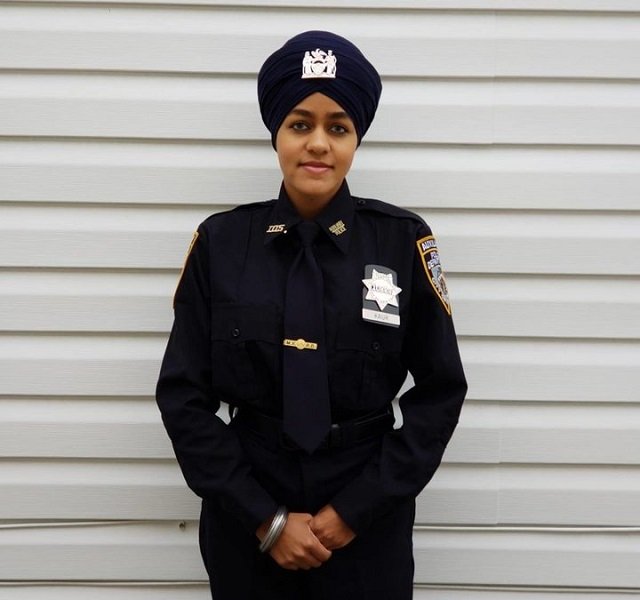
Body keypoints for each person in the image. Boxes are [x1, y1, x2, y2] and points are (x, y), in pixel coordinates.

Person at [156, 30, 467, 600]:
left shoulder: (402, 242)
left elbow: (441, 391)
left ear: (356, 139)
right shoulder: (221, 243)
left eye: (337, 127)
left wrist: (354, 510)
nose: (318, 143)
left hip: (366, 520)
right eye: (300, 124)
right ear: (276, 133)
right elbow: (182, 395)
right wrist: (265, 520)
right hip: (246, 514)